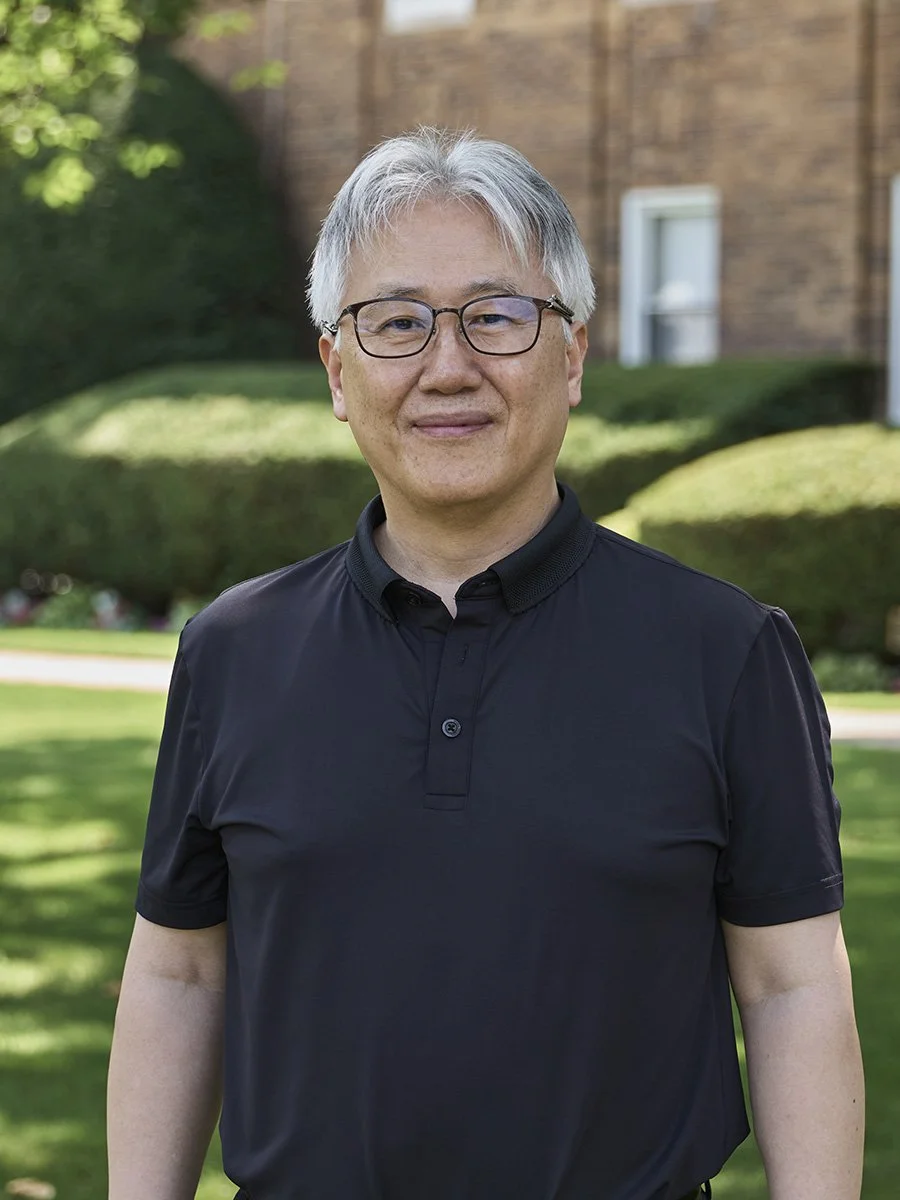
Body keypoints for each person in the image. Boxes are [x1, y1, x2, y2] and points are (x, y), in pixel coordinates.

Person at [106, 128, 865, 1200]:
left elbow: (793, 986)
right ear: (337, 372)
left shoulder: (725, 650)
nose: (449, 365)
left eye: (497, 315)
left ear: (573, 355)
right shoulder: (233, 650)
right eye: (396, 322)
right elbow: (180, 969)